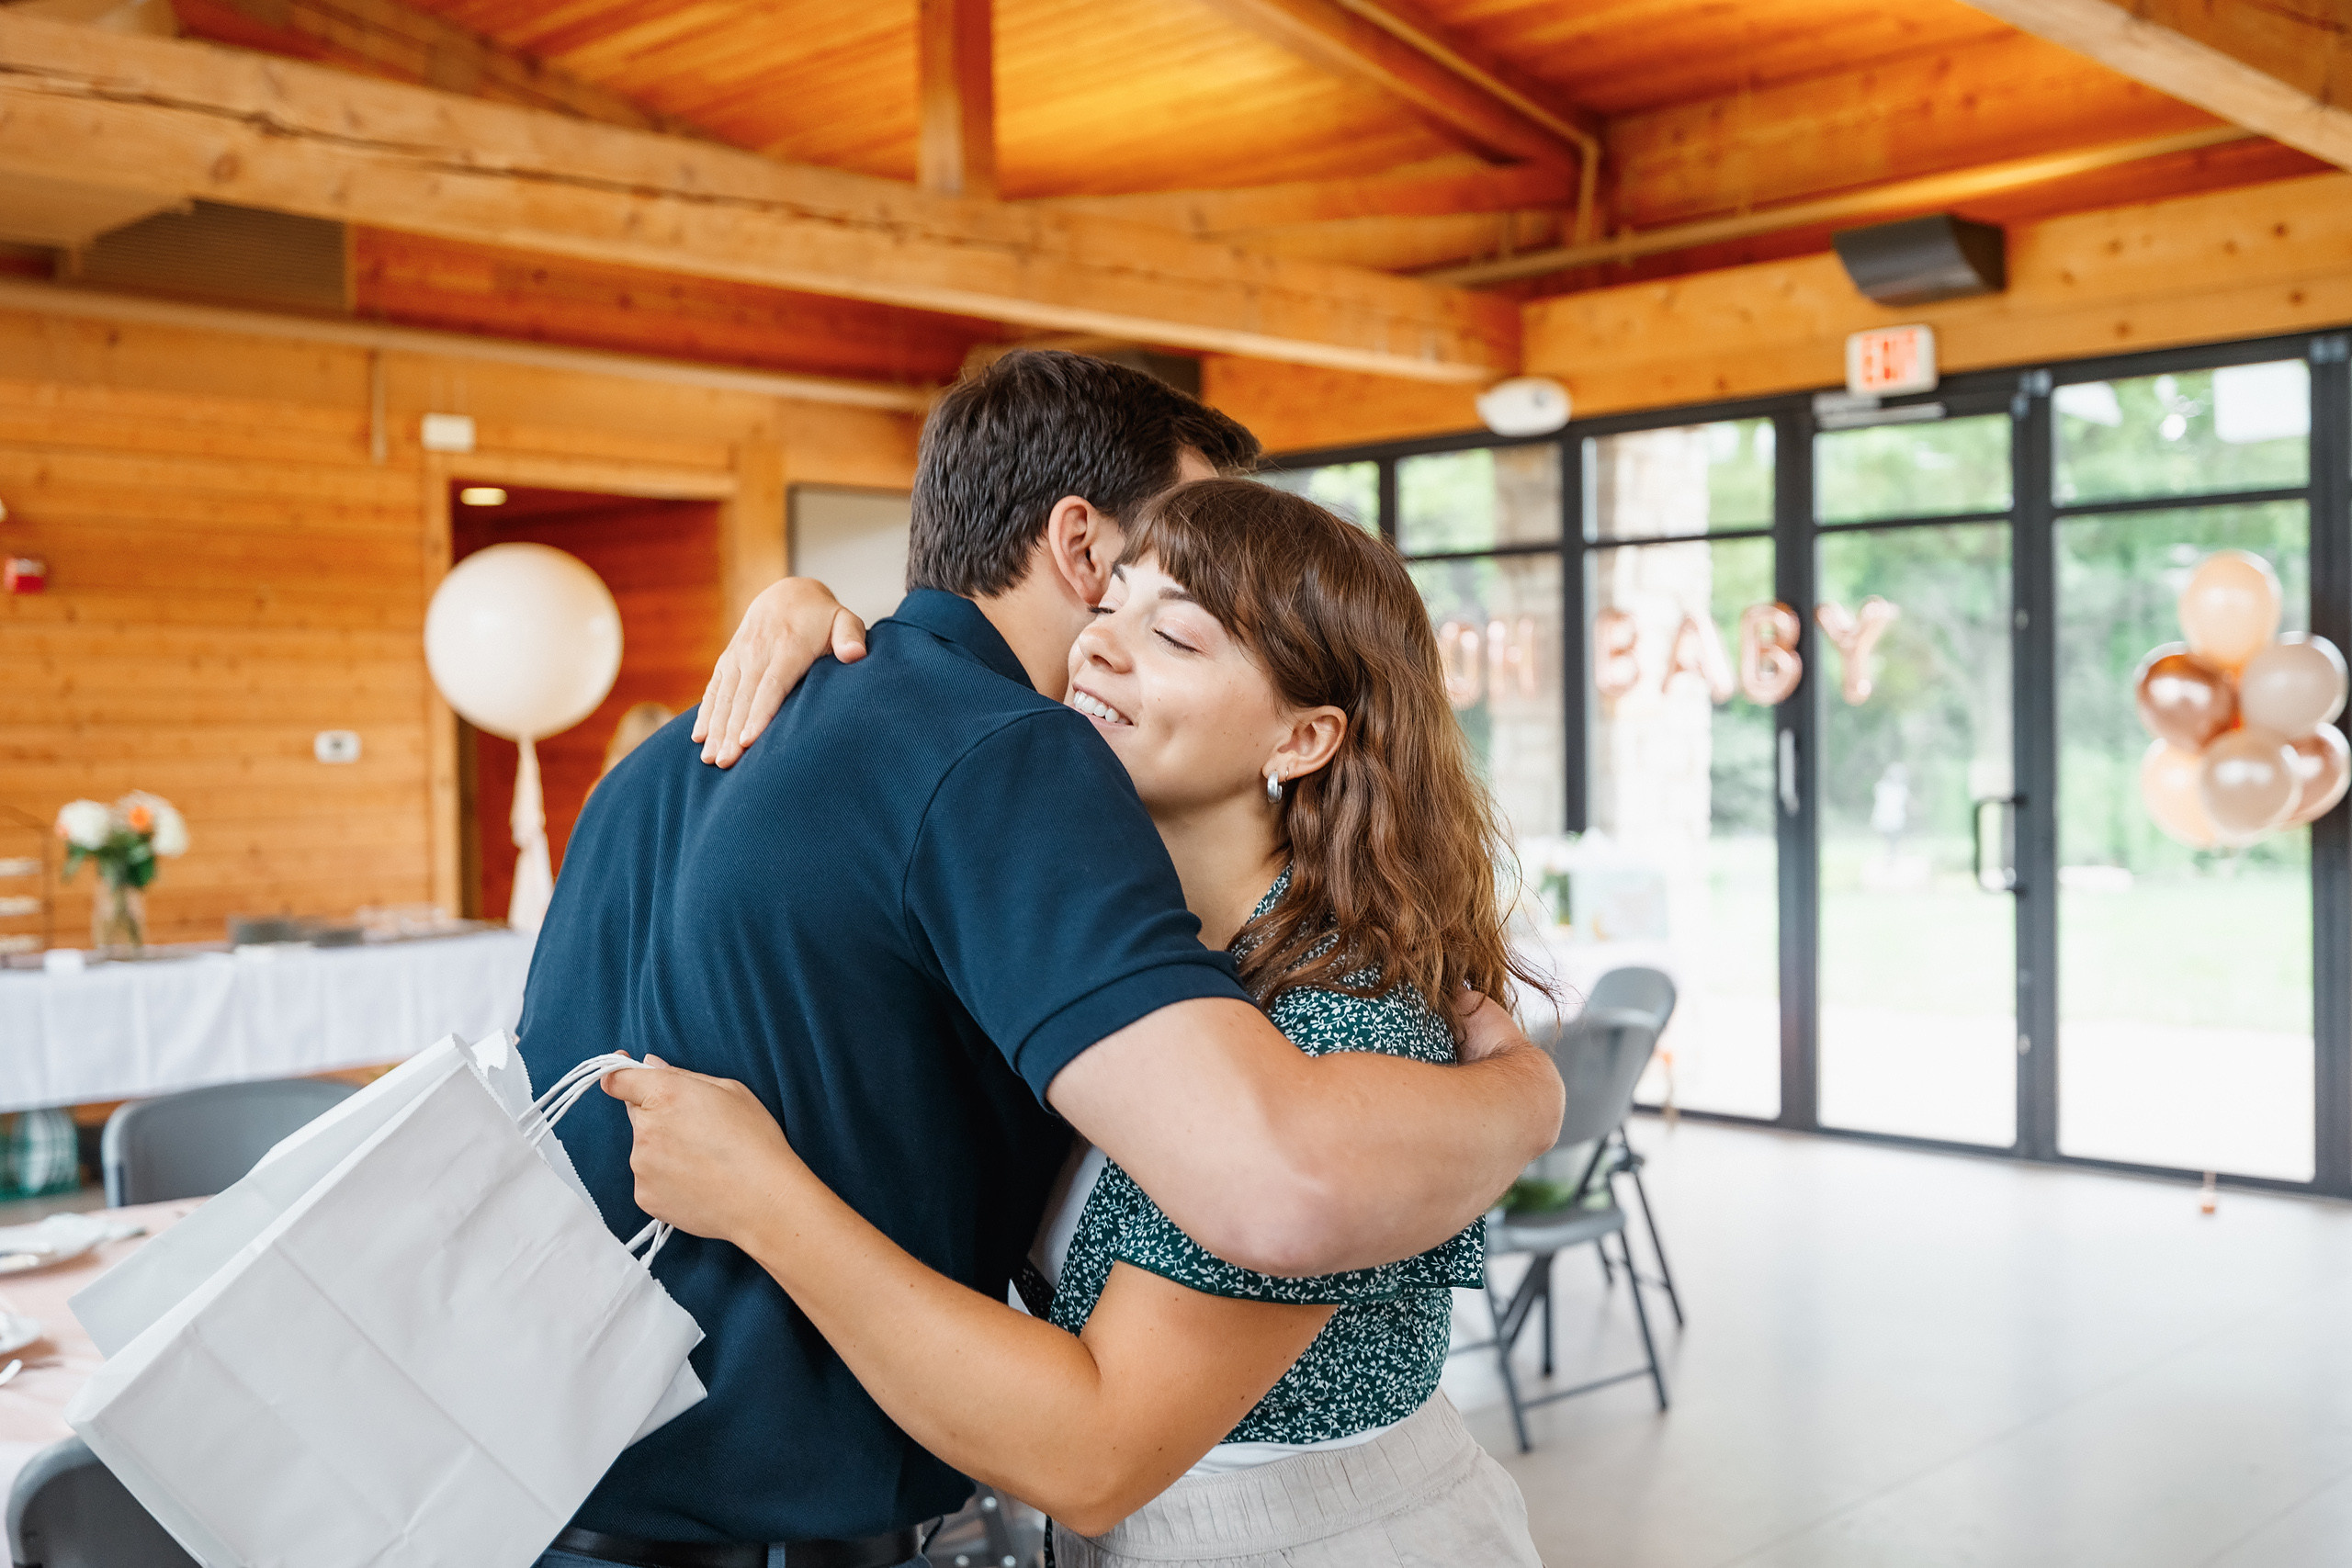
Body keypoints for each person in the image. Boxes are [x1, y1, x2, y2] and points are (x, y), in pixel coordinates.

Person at [516, 350, 1563, 1568]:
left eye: (1178, 632)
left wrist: (1525, 1091)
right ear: (1079, 549)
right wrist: (1525, 1098)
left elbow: (1113, 1423)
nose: (1099, 652)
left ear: (1304, 737)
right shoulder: (1005, 778)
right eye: (1120, 597)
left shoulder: (673, 761)